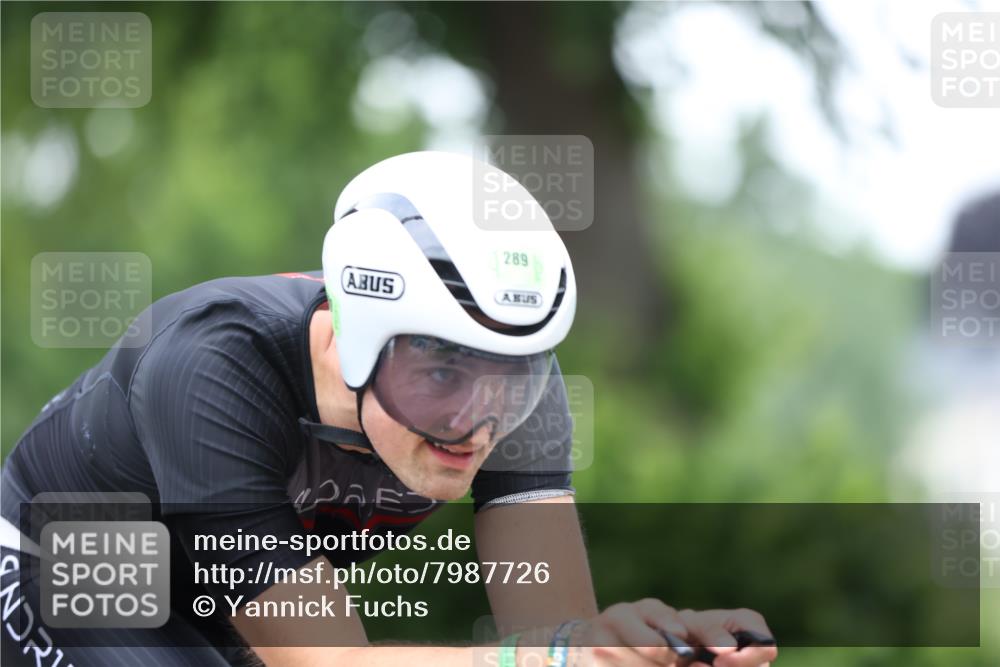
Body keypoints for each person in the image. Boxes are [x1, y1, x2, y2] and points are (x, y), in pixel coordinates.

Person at [0, 151, 776, 667]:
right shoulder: (212, 365)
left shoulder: (509, 392)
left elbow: (549, 641)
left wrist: (641, 649)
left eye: (515, 376)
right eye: (439, 373)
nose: (477, 426)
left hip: (225, 597)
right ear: (356, 338)